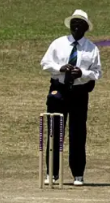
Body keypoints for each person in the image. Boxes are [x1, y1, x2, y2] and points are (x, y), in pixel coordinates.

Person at [40, 9, 102, 186]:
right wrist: (61, 68)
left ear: (85, 27)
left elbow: (97, 73)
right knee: (54, 132)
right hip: (59, 90)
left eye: (80, 23)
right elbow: (45, 64)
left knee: (78, 133)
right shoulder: (58, 43)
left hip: (79, 92)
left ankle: (78, 174)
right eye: (74, 22)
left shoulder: (91, 48)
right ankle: (52, 173)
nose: (76, 26)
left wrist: (82, 72)